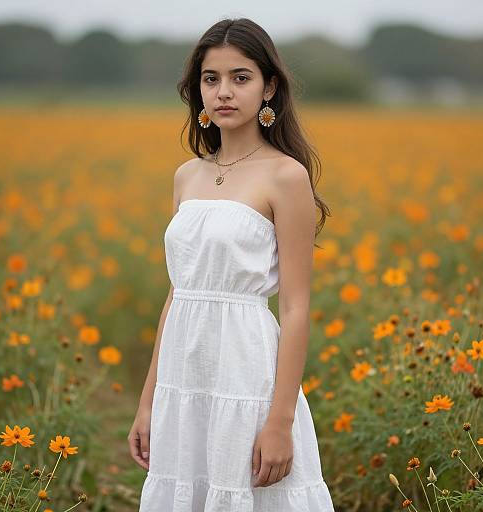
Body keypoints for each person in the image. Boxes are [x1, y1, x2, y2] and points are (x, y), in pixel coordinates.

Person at [129, 17, 335, 511]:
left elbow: (296, 307)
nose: (224, 91)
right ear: (197, 90)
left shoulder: (286, 177)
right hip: (185, 373)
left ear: (269, 88)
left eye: (241, 78)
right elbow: (179, 294)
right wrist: (148, 402)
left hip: (247, 373)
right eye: (211, 78)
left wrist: (280, 420)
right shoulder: (186, 176)